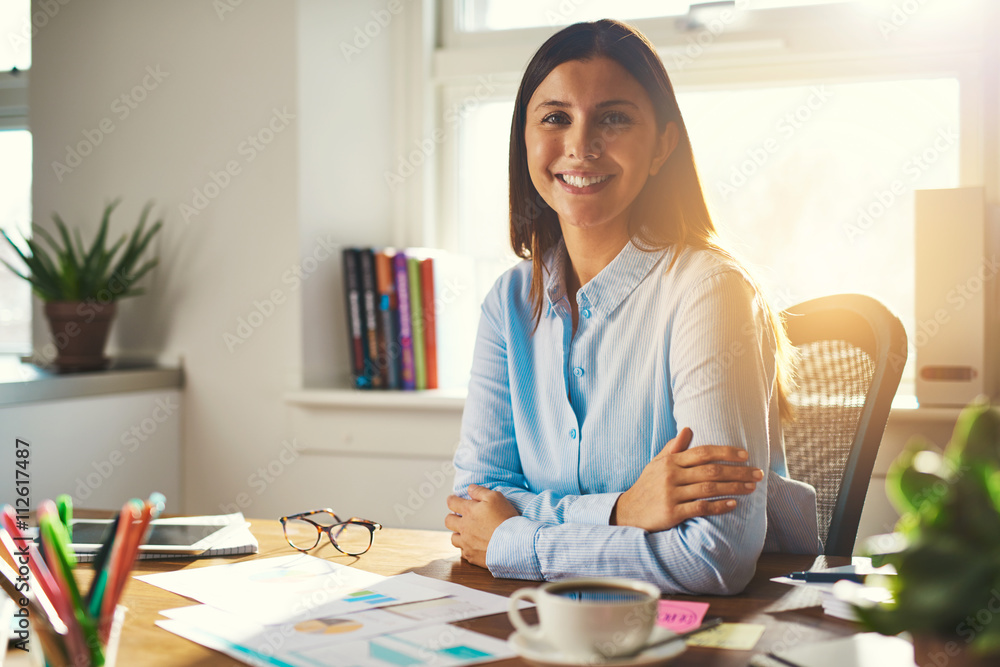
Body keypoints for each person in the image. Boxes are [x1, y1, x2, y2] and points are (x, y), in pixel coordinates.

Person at [445, 19, 821, 596]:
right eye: (555, 117)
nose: (580, 145)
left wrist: (520, 540)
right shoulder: (509, 301)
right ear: (525, 139)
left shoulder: (709, 290)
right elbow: (476, 504)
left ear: (661, 146)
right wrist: (622, 510)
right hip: (553, 622)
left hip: (696, 631)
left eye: (614, 118)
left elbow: (713, 557)